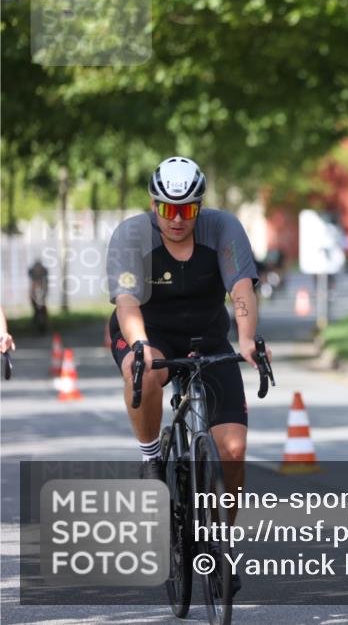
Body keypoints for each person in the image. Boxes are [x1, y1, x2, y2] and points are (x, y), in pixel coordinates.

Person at [105, 156, 268, 507]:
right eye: (168, 209)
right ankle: (151, 458)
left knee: (233, 450)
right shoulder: (131, 235)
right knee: (143, 369)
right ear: (154, 205)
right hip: (149, 332)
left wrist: (245, 339)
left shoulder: (224, 228)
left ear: (200, 206)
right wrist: (140, 345)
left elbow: (241, 290)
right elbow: (127, 302)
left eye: (187, 210)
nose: (177, 219)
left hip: (207, 336)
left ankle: (221, 536)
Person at [27, 259, 49, 333]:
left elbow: (45, 288)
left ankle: (42, 327)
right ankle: (36, 327)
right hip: (35, 296)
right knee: (37, 312)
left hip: (41, 296)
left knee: (42, 311)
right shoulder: (34, 278)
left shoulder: (43, 278)